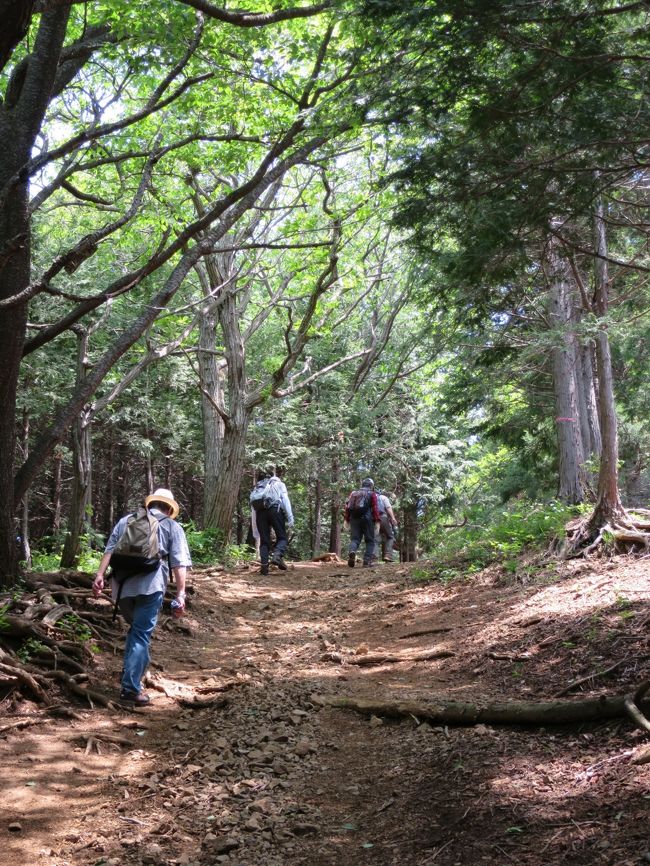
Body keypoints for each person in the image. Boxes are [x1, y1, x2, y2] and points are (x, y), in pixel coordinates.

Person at [92, 487, 192, 706]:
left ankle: (130, 671)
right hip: (151, 586)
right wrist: (181, 595)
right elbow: (179, 564)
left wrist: (99, 576)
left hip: (121, 588)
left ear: (152, 503)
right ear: (169, 508)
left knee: (136, 631)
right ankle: (129, 690)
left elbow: (109, 550)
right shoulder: (172, 526)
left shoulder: (126, 520)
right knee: (140, 634)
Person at [251, 467, 294, 575]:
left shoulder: (257, 488)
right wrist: (290, 517)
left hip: (260, 513)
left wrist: (255, 530)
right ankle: (277, 555)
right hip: (275, 510)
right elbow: (285, 500)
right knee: (282, 537)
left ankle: (264, 568)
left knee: (264, 541)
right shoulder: (279, 484)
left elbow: (253, 510)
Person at [344, 477, 380, 568]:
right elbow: (375, 508)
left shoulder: (353, 493)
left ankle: (352, 551)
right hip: (367, 519)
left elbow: (347, 507)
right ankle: (366, 561)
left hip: (354, 519)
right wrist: (377, 521)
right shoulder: (372, 494)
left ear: (362, 484)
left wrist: (347, 519)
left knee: (355, 539)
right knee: (370, 540)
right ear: (371, 485)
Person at [375, 489, 399, 562]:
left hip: (373, 520)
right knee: (390, 536)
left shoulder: (370, 498)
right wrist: (393, 518)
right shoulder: (383, 497)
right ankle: (388, 555)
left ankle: (374, 558)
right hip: (383, 518)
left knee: (375, 539)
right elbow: (388, 508)